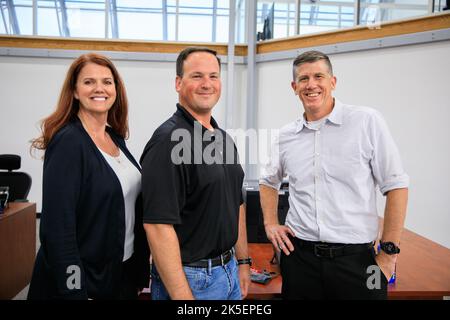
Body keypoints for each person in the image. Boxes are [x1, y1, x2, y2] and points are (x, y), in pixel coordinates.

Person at [259, 50, 409, 300]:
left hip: (359, 262)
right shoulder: (287, 135)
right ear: (294, 87)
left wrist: (388, 255)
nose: (311, 84)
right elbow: (267, 181)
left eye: (319, 76)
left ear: (333, 82)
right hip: (299, 261)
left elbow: (397, 186)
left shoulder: (366, 121)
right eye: (304, 79)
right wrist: (271, 224)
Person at [28, 53, 150, 299]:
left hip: (118, 274)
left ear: (116, 89)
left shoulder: (113, 137)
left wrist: (136, 273)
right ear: (74, 91)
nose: (99, 88)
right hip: (83, 283)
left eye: (107, 81)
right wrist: (75, 290)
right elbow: (57, 231)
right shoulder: (68, 142)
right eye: (88, 82)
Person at [140, 47, 250, 300]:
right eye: (197, 76)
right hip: (192, 279)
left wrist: (243, 262)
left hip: (229, 270)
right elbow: (157, 226)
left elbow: (237, 203)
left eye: (213, 76)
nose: (206, 84)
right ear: (178, 83)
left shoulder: (223, 139)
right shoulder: (168, 141)